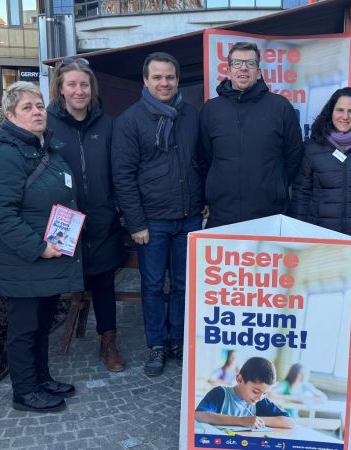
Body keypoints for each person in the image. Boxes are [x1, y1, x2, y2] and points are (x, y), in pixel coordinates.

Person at [0, 81, 82, 413]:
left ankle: (41, 379)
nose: (37, 112)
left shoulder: (44, 148)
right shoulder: (4, 153)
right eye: (27, 107)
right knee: (24, 329)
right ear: (10, 115)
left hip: (47, 258)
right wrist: (38, 247)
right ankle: (24, 392)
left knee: (42, 325)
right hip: (24, 261)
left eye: (39, 105)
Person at [111, 52, 204, 377]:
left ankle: (178, 339)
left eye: (170, 77)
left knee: (183, 285)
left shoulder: (191, 115)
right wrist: (135, 223)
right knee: (151, 286)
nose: (164, 83)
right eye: (158, 77)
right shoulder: (130, 120)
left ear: (177, 80)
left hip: (189, 217)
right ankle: (157, 345)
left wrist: (203, 199)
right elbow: (122, 175)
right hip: (151, 222)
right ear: (146, 81)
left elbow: (202, 160)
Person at [289, 87, 351, 380]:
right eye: (340, 110)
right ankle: (323, 351)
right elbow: (302, 191)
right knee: (322, 302)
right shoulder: (314, 146)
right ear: (331, 112)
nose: (345, 116)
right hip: (321, 236)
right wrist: (299, 231)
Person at [47, 57, 127, 372]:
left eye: (84, 84)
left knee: (104, 281)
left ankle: (108, 342)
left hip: (102, 219)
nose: (79, 91)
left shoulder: (108, 125)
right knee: (54, 283)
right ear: (61, 89)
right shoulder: (47, 124)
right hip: (62, 222)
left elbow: (119, 171)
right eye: (72, 85)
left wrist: (117, 209)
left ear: (91, 88)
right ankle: (41, 351)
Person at [199, 41, 304, 227]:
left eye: (250, 63)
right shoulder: (211, 110)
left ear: (259, 71)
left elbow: (293, 156)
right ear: (229, 70)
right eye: (237, 63)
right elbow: (204, 158)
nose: (244, 68)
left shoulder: (280, 107)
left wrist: (275, 186)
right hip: (223, 214)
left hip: (270, 214)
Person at [195, 357, 294, 429]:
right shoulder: (220, 393)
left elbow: (289, 422)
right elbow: (199, 415)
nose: (259, 397)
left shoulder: (259, 401)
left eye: (265, 393)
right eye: (255, 391)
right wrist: (241, 420)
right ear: (239, 379)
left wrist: (256, 420)